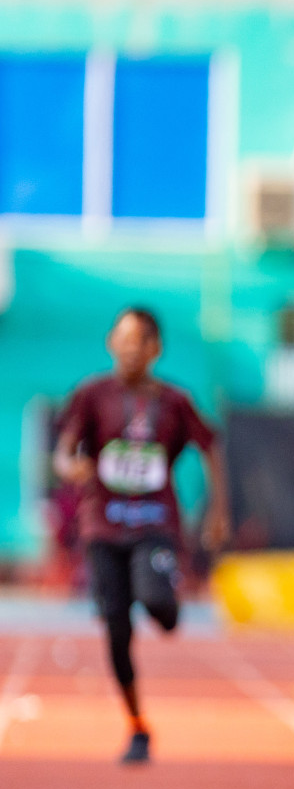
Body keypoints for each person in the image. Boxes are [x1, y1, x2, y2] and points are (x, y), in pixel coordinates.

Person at [53, 307, 229, 764]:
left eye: (140, 341)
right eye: (122, 339)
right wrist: (71, 466)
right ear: (111, 342)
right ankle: (136, 725)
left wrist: (218, 511)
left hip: (154, 523)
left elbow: (211, 446)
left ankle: (166, 604)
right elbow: (63, 451)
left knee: (155, 602)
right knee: (115, 628)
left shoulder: (174, 401)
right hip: (103, 524)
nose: (130, 349)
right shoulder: (92, 395)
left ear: (155, 349)